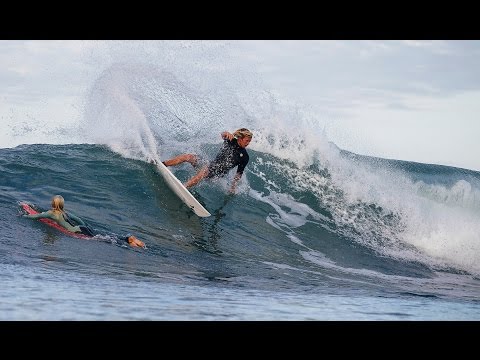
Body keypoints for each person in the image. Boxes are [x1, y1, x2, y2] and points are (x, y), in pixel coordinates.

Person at [22, 195, 145, 248]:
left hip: (78, 232)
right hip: (83, 227)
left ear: (53, 203)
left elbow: (36, 217)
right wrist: (86, 225)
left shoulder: (52, 213)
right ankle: (127, 238)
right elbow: (79, 219)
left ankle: (129, 241)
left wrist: (25, 216)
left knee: (106, 240)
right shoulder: (65, 212)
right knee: (104, 236)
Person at [161, 128, 253, 194]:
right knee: (188, 156)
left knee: (205, 170)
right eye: (247, 141)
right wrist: (226, 133)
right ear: (240, 139)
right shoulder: (230, 140)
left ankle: (183, 187)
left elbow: (238, 174)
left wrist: (233, 187)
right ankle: (164, 164)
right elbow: (222, 134)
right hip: (210, 164)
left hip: (217, 173)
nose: (248, 143)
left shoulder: (244, 157)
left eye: (249, 141)